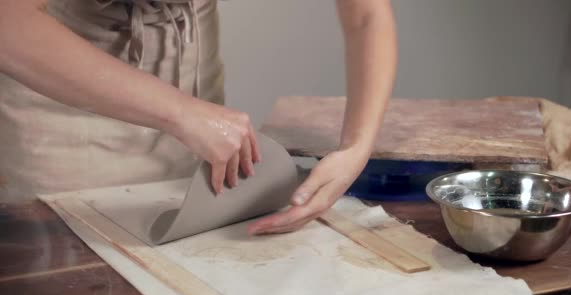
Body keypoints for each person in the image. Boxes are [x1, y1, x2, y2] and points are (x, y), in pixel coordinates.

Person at [0, 0, 396, 234]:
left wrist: (356, 149)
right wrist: (177, 111)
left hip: (192, 80)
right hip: (61, 97)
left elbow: (366, 15)